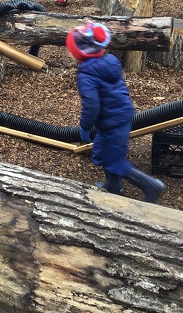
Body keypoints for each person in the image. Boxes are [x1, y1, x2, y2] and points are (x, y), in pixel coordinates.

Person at [66, 22, 166, 203]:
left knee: (115, 160)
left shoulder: (87, 74)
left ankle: (152, 186)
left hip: (112, 122)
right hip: (120, 117)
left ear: (80, 53)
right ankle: (114, 186)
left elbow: (92, 105)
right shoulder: (110, 62)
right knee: (104, 152)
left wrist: (85, 126)